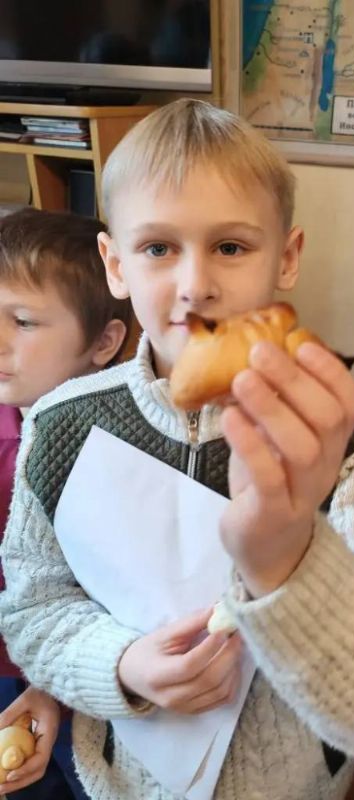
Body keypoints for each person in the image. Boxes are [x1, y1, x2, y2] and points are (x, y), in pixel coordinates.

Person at [1, 100, 354, 800]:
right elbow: (34, 608)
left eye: (231, 247)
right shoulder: (59, 426)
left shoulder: (344, 444)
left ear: (287, 258)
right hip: (120, 780)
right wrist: (120, 665)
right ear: (115, 265)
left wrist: (290, 559)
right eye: (158, 248)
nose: (195, 285)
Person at [0, 208, 131, 797]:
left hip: (89, 678)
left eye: (24, 321)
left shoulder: (115, 452)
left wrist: (53, 684)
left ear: (103, 342)